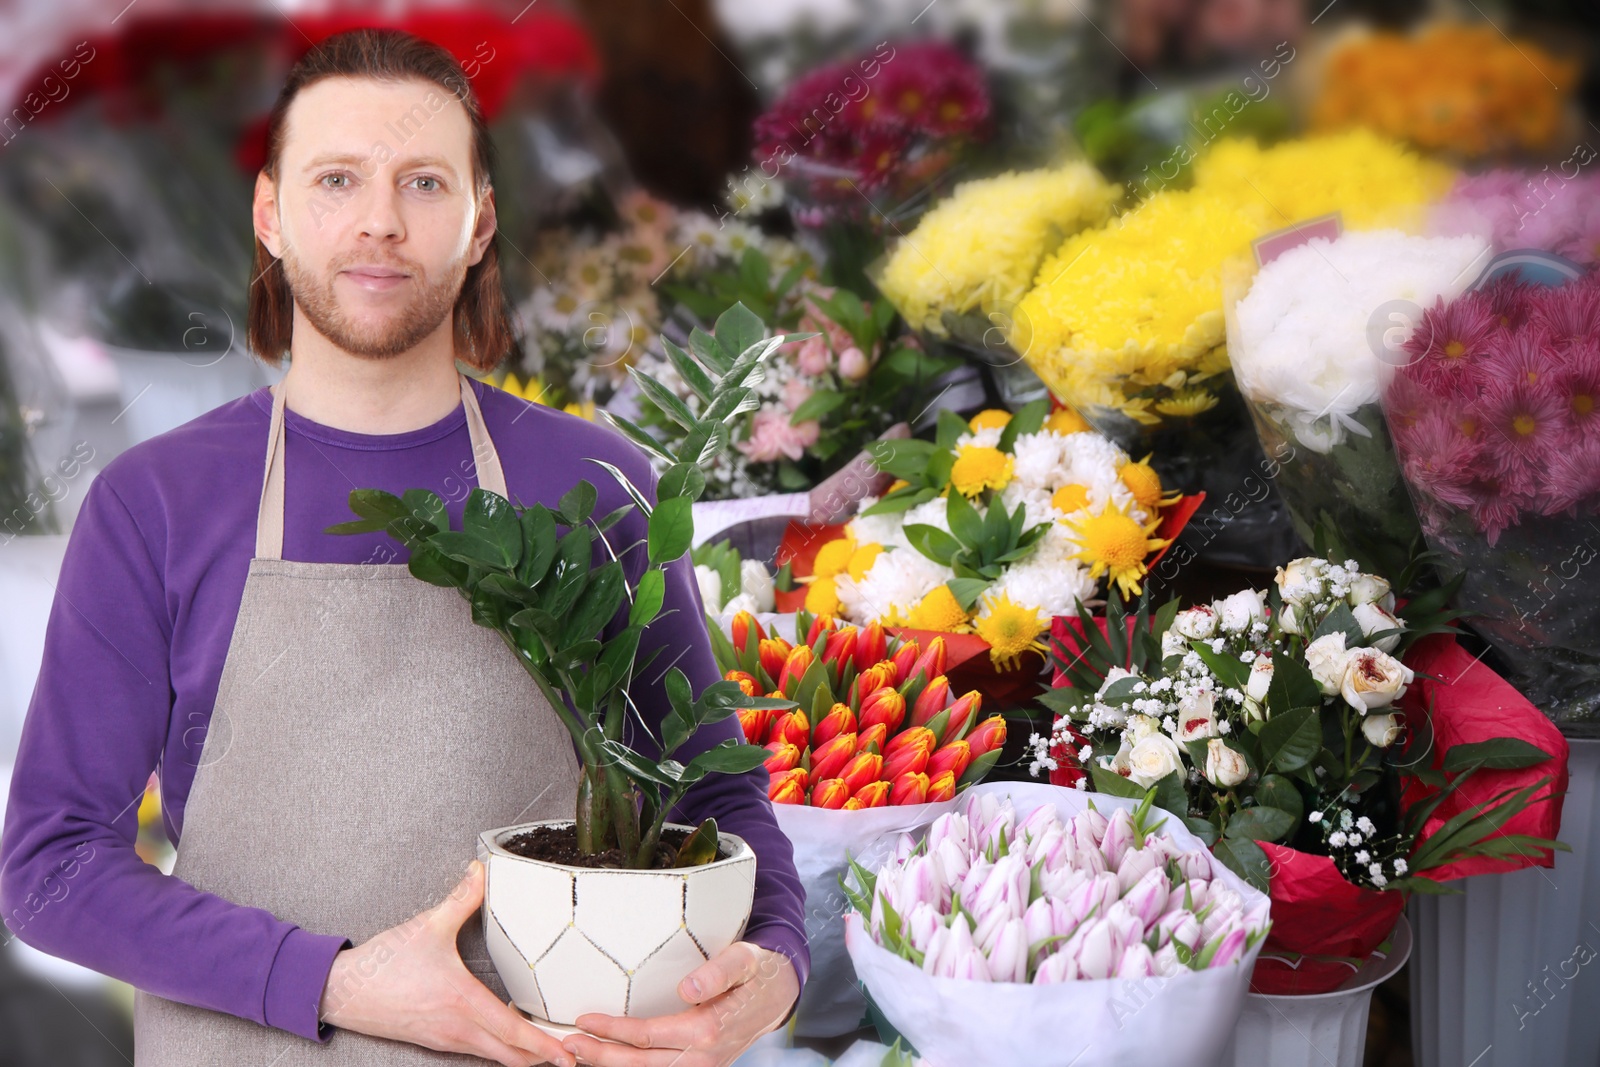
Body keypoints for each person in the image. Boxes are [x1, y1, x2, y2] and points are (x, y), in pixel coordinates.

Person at [0, 28, 806, 1067]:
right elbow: (52, 867)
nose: (380, 221)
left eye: (424, 183)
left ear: (481, 223)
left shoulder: (593, 484)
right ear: (269, 215)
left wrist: (776, 964)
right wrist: (339, 982)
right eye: (337, 178)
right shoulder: (153, 502)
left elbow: (712, 792)